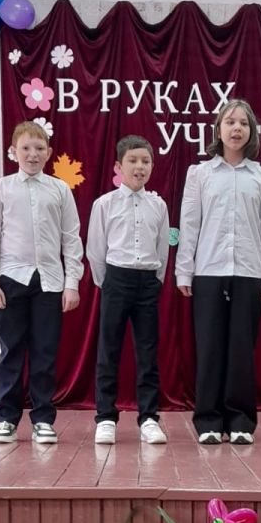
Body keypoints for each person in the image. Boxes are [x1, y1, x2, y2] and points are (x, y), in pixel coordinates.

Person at [175, 99, 261, 445]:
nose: (237, 128)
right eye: (230, 122)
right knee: (209, 348)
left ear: (252, 132)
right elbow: (189, 224)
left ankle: (240, 421)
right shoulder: (200, 174)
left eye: (244, 123)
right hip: (208, 271)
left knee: (241, 350)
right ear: (218, 129)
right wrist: (184, 271)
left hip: (249, 273)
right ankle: (208, 420)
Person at [0, 120, 83, 445]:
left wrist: (72, 283)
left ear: (49, 152)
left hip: (49, 283)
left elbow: (71, 238)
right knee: (10, 351)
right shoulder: (1, 189)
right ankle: (6, 419)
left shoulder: (60, 190)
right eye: (26, 148)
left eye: (39, 148)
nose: (33, 154)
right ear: (14, 151)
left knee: (44, 353)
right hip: (10, 280)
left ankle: (43, 419)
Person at [86, 135, 169, 444]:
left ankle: (149, 418)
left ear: (152, 166)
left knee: (147, 352)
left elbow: (162, 249)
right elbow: (96, 249)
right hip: (116, 280)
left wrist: (156, 280)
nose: (139, 167)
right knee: (109, 350)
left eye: (145, 161)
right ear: (119, 167)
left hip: (147, 282)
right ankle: (106, 417)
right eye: (132, 161)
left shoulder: (158, 205)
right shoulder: (104, 204)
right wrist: (106, 281)